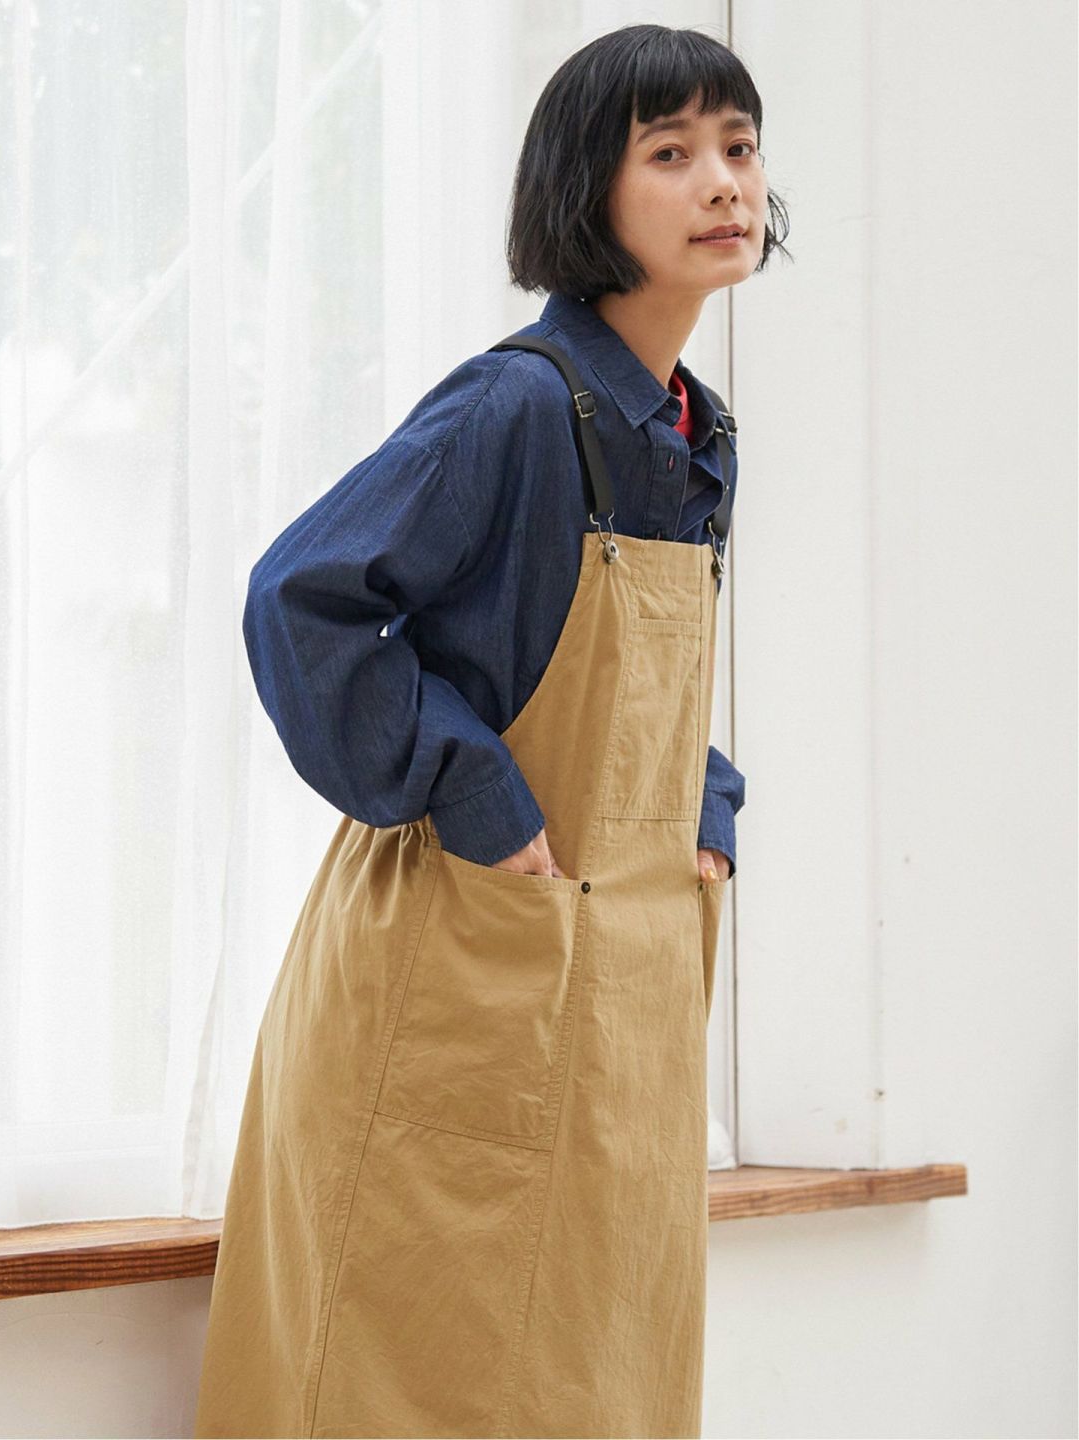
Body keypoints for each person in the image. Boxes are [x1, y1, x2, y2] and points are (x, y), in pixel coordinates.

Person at [195, 21, 790, 1439]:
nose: (723, 181)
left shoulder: (693, 431)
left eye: (739, 146)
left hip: (622, 997)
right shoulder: (519, 404)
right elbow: (302, 597)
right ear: (587, 189)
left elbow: (644, 684)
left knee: (600, 1378)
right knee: (404, 1385)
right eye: (671, 152)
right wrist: (476, 793)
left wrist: (702, 805)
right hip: (464, 968)